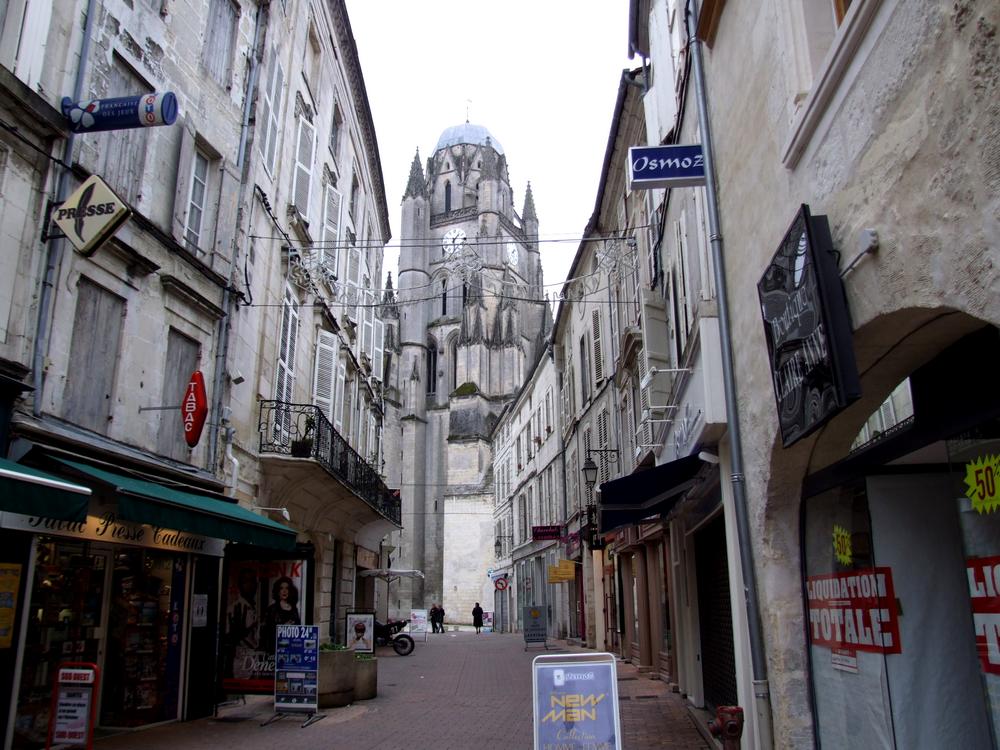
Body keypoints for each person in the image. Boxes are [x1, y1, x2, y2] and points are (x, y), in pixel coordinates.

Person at [260, 576, 301, 654]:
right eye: (281, 588)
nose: (284, 591)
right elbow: (266, 632)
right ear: (278, 591)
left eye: (287, 588)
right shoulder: (271, 609)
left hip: (290, 648)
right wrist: (283, 627)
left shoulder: (294, 609)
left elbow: (298, 629)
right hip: (275, 648)